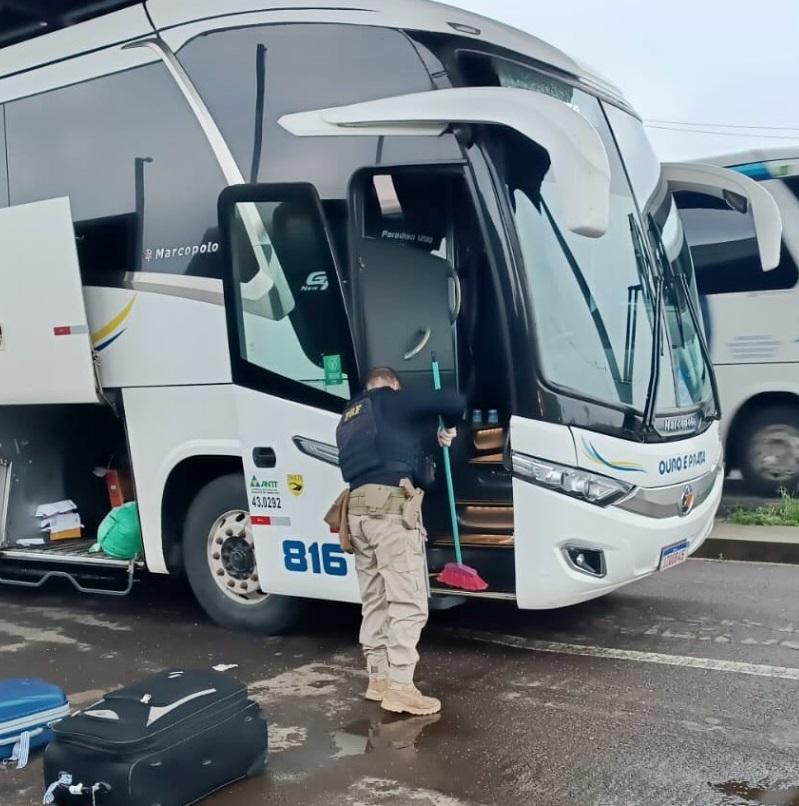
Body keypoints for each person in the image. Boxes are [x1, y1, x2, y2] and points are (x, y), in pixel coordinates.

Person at [336, 366, 466, 716]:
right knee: (409, 603)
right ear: (393, 385)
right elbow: (454, 400)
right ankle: (401, 687)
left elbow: (389, 453)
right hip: (389, 512)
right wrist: (448, 428)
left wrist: (429, 439)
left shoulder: (350, 416)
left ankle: (378, 679)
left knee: (375, 600)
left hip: (357, 513)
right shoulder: (392, 400)